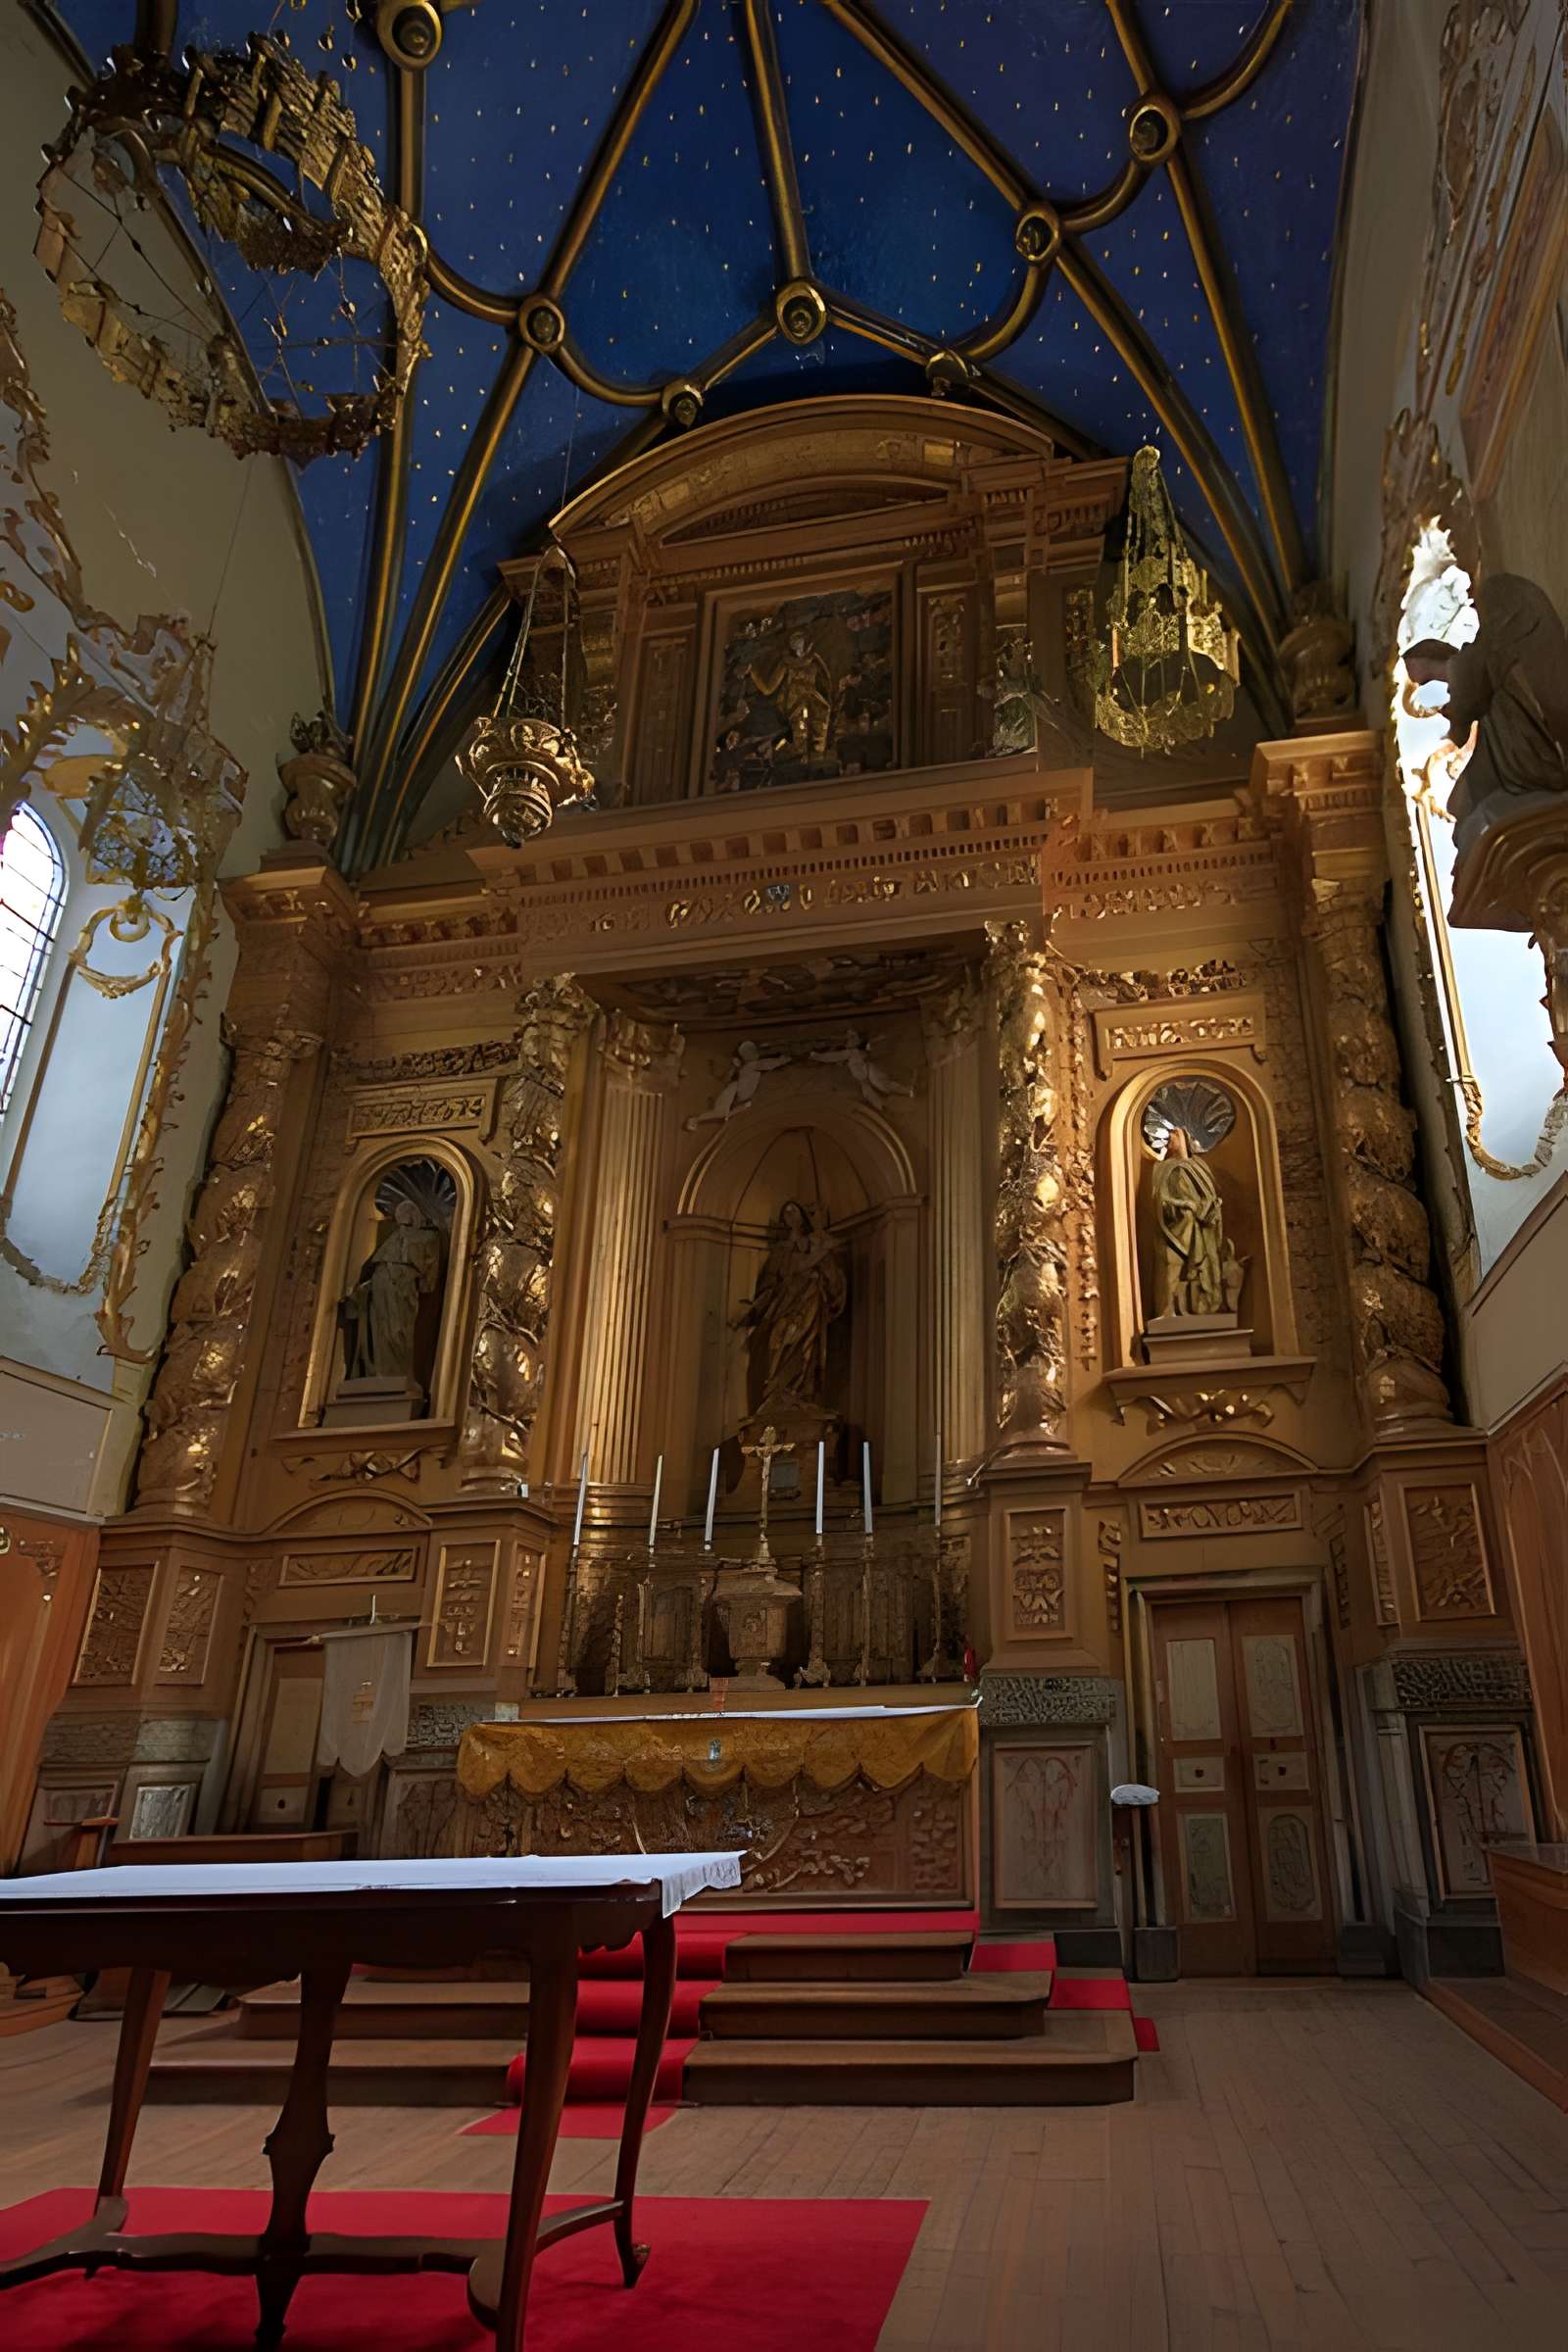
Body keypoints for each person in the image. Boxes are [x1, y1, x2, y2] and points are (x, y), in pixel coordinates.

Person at [1403, 574, 1568, 856]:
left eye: (1421, 675)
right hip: (1518, 745)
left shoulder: (1472, 659)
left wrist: (1454, 719)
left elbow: (1464, 715)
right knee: (1466, 806)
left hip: (1531, 748)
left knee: (1472, 805)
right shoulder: (1483, 659)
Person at [737, 1200, 847, 1408]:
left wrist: (825, 1280)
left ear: (803, 1217)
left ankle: (800, 1391)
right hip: (784, 1303)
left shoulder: (817, 1247)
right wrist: (755, 1307)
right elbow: (769, 1282)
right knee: (778, 1339)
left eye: (793, 1211)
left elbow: (833, 1279)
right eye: (786, 1213)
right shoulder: (782, 1250)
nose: (790, 1216)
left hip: (809, 1301)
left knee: (804, 1344)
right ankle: (775, 1389)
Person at [339, 1198, 442, 1383]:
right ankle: (380, 1373)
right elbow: (371, 1268)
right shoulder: (395, 1237)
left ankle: (395, 1374)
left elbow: (428, 1281)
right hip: (384, 1283)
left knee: (397, 1331)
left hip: (402, 1286)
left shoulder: (428, 1237)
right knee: (381, 1329)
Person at [1151, 1126, 1227, 1318]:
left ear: (1185, 1138)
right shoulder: (1163, 1168)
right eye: (1168, 1135)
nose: (1170, 1138)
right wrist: (1187, 1207)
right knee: (1172, 1265)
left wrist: (1210, 1207)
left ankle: (1201, 1307)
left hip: (1203, 1229)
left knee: (1204, 1270)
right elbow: (1161, 1201)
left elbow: (1210, 1194)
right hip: (1176, 1229)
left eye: (1175, 1134)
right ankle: (1168, 1310)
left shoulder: (1199, 1167)